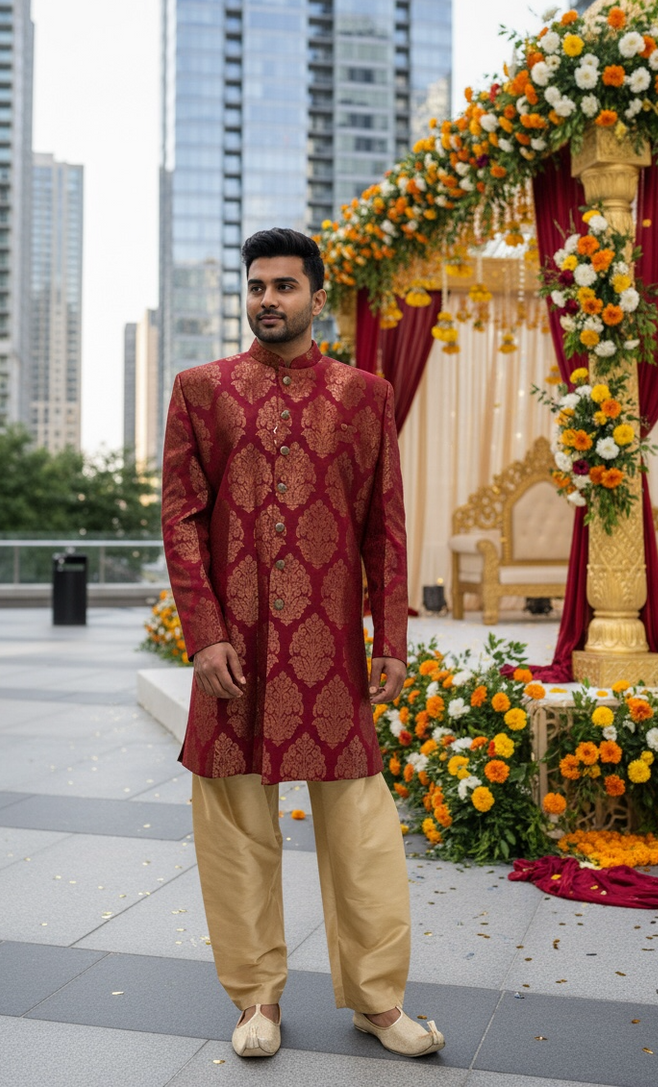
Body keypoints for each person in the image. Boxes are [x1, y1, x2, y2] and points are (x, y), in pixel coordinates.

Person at [161, 227, 444, 1059]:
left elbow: (381, 526)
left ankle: (377, 1000)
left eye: (285, 287)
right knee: (234, 827)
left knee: (361, 831)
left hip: (329, 656)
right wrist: (204, 636)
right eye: (256, 287)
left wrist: (388, 633)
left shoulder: (364, 396)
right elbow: (180, 522)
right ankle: (257, 1001)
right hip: (235, 655)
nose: (268, 301)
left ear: (320, 298)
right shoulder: (200, 391)